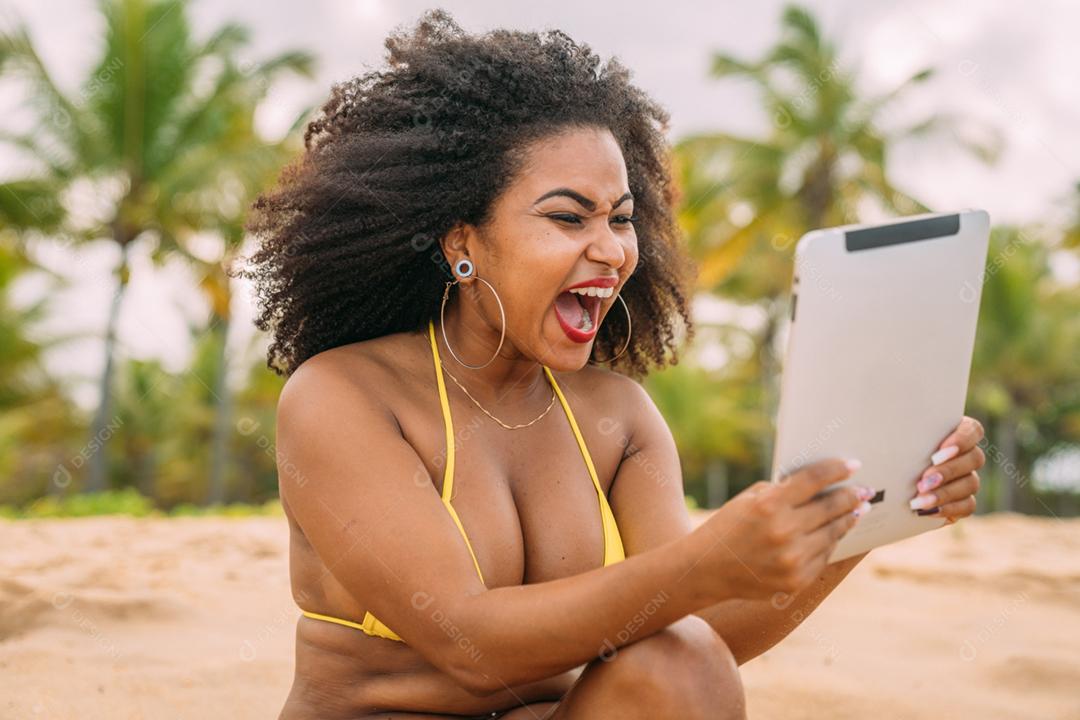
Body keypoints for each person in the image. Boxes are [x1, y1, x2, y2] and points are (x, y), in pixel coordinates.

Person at [236, 9, 987, 719]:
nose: (611, 249)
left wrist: (865, 512)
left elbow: (701, 637)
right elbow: (468, 644)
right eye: (568, 217)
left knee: (681, 660)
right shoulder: (343, 395)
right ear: (462, 242)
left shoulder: (616, 416)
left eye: (621, 219)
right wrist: (704, 561)